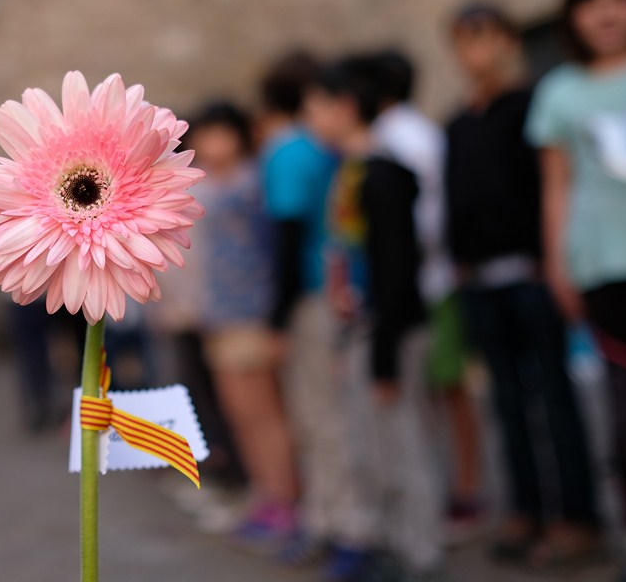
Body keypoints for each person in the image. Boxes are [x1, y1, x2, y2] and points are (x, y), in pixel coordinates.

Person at [526, 0, 626, 582]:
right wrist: (559, 262)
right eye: (590, 0)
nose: (607, 12)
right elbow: (557, 186)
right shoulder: (561, 93)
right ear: (572, 17)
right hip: (607, 273)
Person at [445, 1, 601, 570]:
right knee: (506, 404)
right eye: (464, 41)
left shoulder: (534, 105)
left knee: (555, 399)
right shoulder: (458, 122)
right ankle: (526, 507)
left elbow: (552, 186)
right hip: (481, 281)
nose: (476, 52)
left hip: (532, 274)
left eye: (485, 37)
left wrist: (550, 258)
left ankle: (577, 515)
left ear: (509, 42)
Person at [305, 56, 443, 582]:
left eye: (316, 108)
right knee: (373, 446)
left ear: (345, 107)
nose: (311, 120)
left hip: (390, 331)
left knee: (402, 444)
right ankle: (389, 544)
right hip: (363, 330)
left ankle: (420, 554)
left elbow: (395, 270)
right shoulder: (350, 170)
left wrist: (384, 356)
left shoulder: (382, 175)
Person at [370, 49, 483, 538]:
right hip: (427, 276)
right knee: (439, 389)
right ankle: (454, 487)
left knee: (447, 386)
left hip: (428, 280)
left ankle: (466, 489)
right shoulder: (415, 132)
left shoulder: (399, 138)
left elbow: (429, 214)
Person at [188, 102, 300, 556]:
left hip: (252, 312)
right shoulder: (202, 184)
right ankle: (265, 495)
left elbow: (274, 251)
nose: (211, 143)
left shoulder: (253, 182)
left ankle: (286, 499)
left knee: (266, 413)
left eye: (220, 132)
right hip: (218, 314)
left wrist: (276, 321)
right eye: (204, 134)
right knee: (239, 413)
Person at [255, 50, 338, 563]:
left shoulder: (286, 151)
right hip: (334, 287)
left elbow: (288, 234)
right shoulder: (324, 145)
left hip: (308, 295)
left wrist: (276, 318)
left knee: (317, 416)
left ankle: (331, 525)